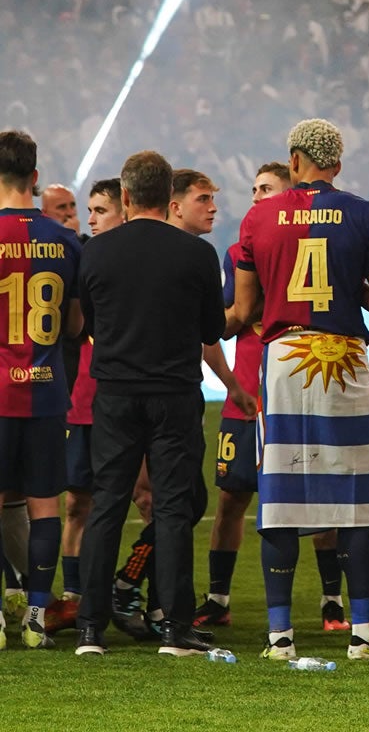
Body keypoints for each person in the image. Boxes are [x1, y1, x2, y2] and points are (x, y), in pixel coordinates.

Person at [231, 118, 369, 662]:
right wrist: (347, 283)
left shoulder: (258, 216)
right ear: (337, 166)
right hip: (345, 358)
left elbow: (244, 311)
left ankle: (280, 638)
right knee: (352, 503)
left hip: (283, 360)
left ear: (295, 160)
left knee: (280, 499)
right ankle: (364, 635)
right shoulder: (364, 213)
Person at [76, 149, 224, 657]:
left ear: (127, 195)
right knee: (174, 508)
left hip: (115, 393)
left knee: (107, 507)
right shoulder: (197, 254)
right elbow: (211, 328)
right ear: (168, 197)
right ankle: (175, 627)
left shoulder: (95, 251)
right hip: (175, 394)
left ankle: (90, 628)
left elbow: (90, 324)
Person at [193, 162, 349, 632]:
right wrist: (249, 302)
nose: (258, 196)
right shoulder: (237, 251)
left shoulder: (310, 247)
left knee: (318, 499)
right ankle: (218, 598)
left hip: (300, 391)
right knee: (232, 498)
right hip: (246, 396)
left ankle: (331, 602)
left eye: (268, 189)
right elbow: (225, 321)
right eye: (255, 189)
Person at [109, 169, 254, 638]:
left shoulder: (193, 256)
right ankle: (129, 586)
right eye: (203, 199)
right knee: (169, 502)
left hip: (172, 392)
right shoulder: (171, 254)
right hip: (148, 396)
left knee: (182, 502)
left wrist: (230, 383)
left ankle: (154, 603)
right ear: (174, 205)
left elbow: (203, 335)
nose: (213, 207)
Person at [0, 130, 83, 649]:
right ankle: (36, 615)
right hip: (49, 392)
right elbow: (74, 326)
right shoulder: (67, 240)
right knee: (45, 505)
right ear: (35, 178)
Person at [45, 178, 123, 636]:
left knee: (150, 498)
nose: (82, 217)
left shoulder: (131, 257)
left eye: (91, 208)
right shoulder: (77, 256)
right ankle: (75, 596)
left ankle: (134, 590)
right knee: (78, 502)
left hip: (125, 398)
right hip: (83, 400)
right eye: (77, 208)